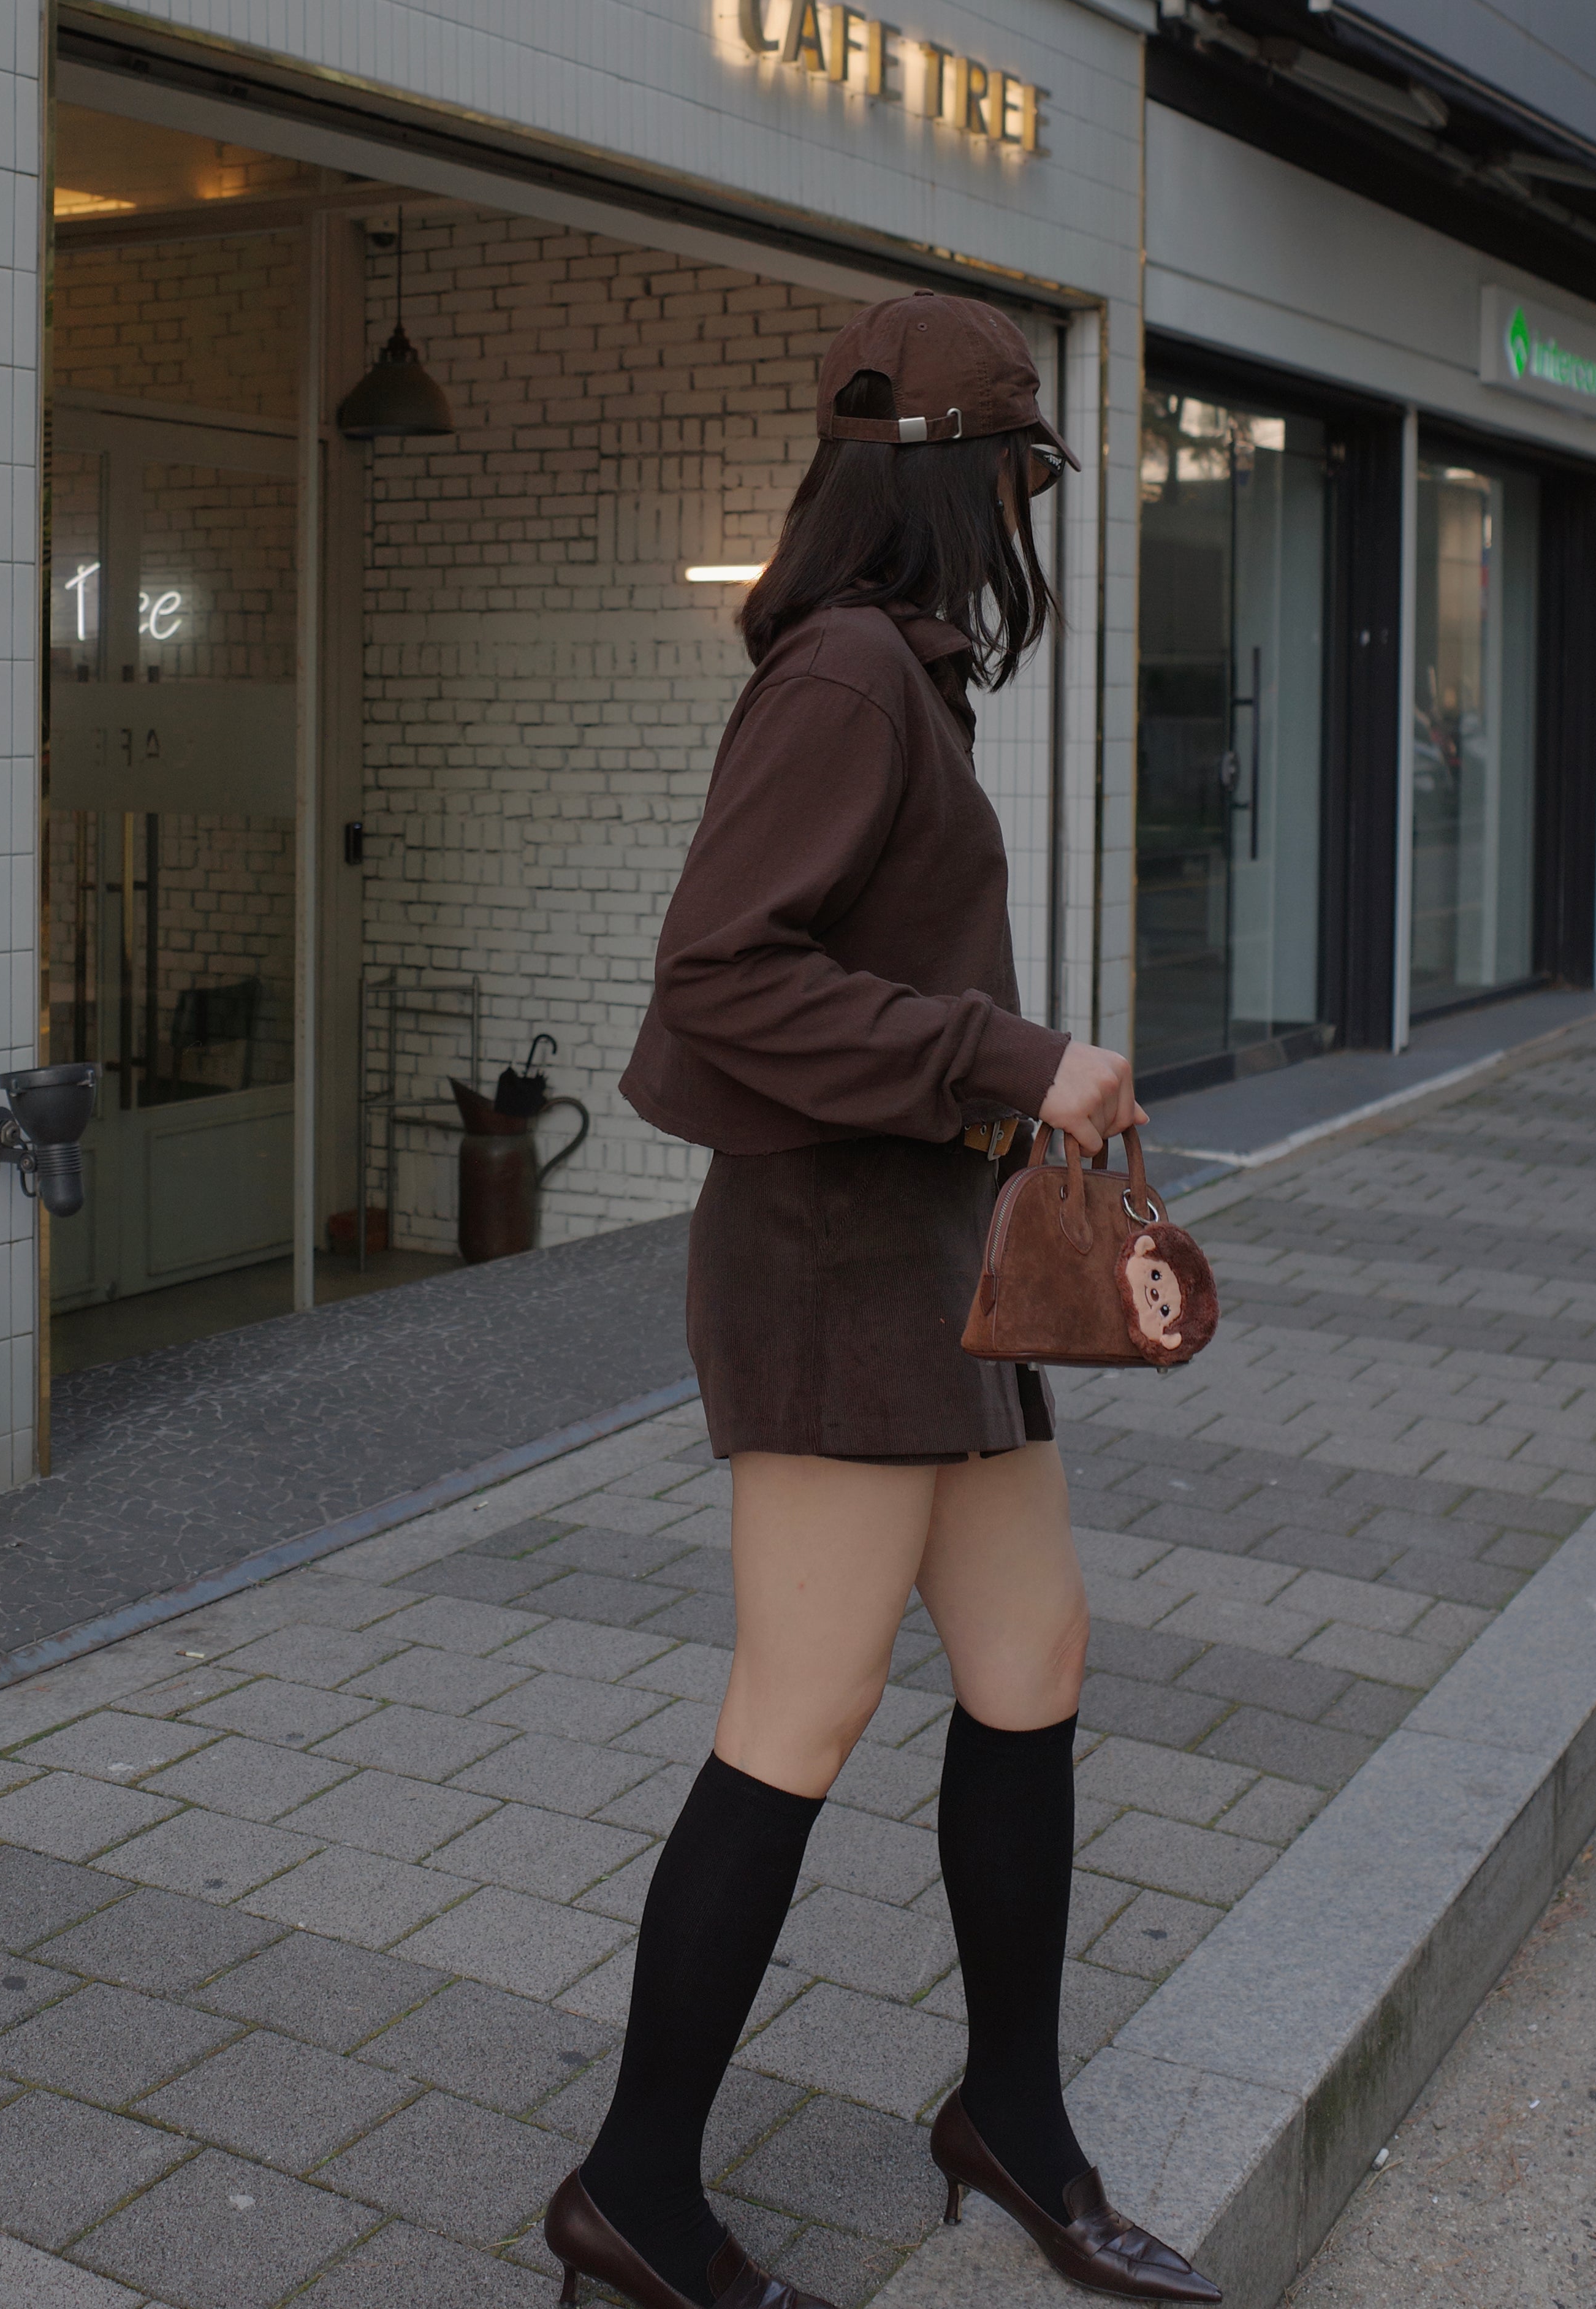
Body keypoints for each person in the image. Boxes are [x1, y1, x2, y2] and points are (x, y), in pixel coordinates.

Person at [542, 292, 1219, 2309]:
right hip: (841, 1278)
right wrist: (1016, 1063)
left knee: (1036, 1660)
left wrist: (1005, 1089)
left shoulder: (894, 680)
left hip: (944, 1264)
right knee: (800, 1710)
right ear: (949, 479)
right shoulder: (844, 680)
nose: (1029, 519)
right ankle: (635, 2193)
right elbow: (717, 976)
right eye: (1019, 477)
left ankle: (1014, 2115)